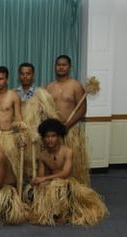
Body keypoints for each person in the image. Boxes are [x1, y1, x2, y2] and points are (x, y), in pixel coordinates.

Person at [24, 119, 108, 226]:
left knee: (66, 189)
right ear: (44, 138)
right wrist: (37, 181)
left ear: (59, 137)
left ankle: (65, 214)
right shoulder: (42, 155)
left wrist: (45, 179)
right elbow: (41, 176)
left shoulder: (67, 151)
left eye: (53, 136)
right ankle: (48, 212)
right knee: (32, 191)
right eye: (47, 137)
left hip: (66, 182)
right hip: (51, 183)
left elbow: (65, 173)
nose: (50, 140)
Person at [46, 55, 89, 185]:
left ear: (69, 67)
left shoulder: (75, 86)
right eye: (58, 64)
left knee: (71, 165)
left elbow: (82, 109)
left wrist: (67, 126)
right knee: (53, 164)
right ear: (55, 67)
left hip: (70, 131)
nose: (61, 67)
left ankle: (74, 189)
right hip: (52, 134)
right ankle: (54, 191)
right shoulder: (49, 87)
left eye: (64, 65)